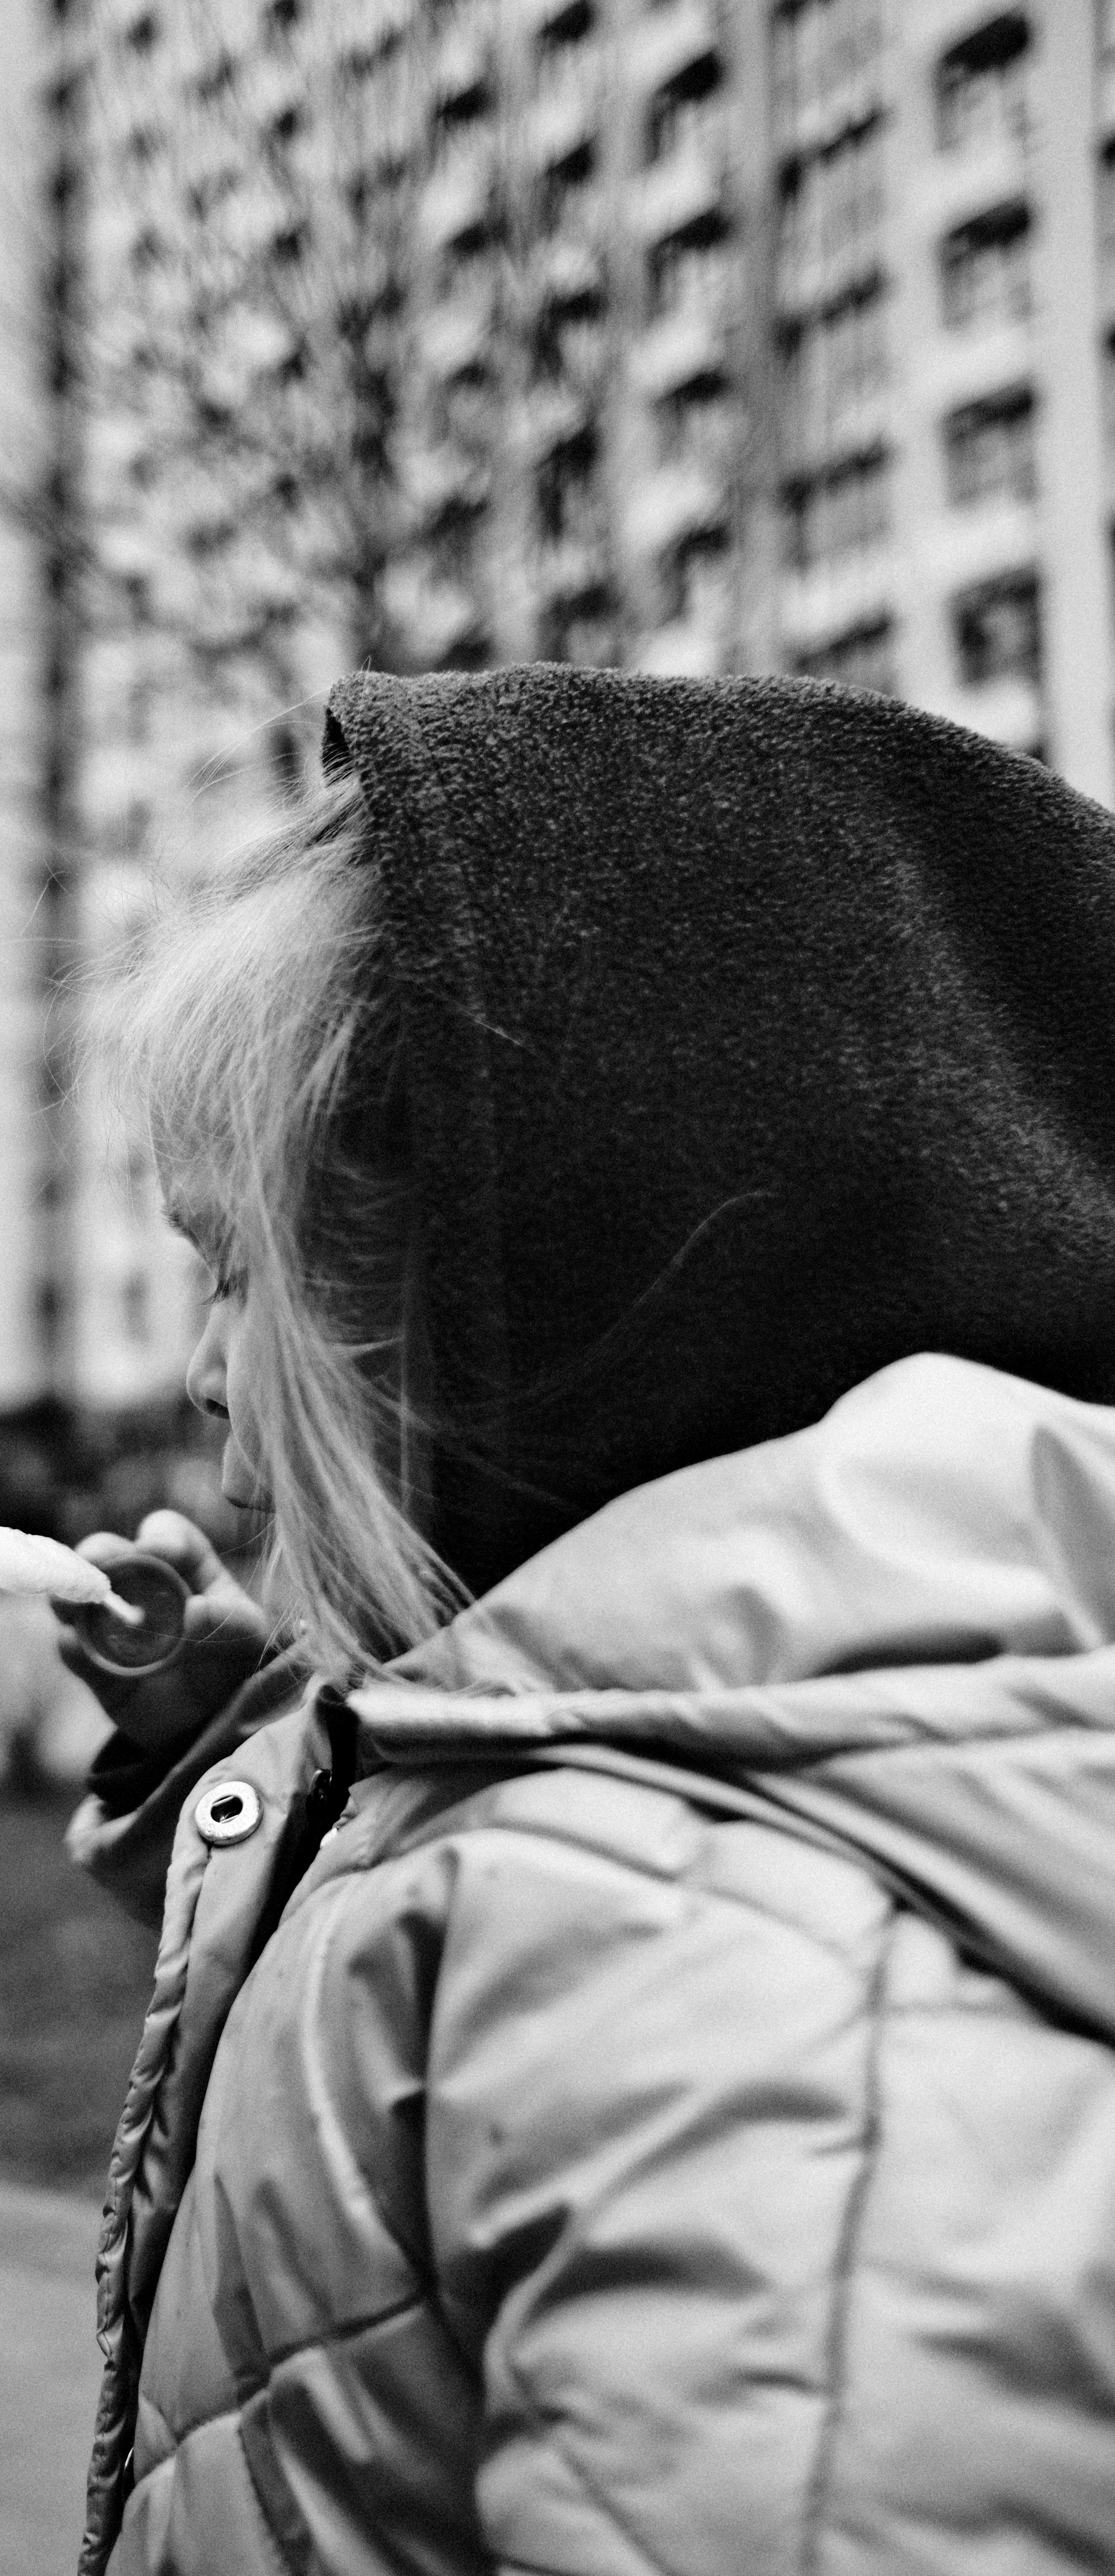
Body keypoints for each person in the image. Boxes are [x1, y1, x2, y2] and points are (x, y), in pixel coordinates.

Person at [54, 664, 1115, 2576]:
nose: (207, 1374)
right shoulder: (671, 1829)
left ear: (515, 1279)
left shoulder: (754, 2043)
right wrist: (256, 1750)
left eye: (240, 1274)